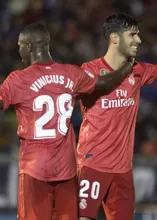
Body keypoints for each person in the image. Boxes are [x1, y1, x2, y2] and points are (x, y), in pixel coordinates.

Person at [0, 23, 133, 220]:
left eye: (20, 45)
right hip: (66, 171)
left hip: (34, 170)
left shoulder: (18, 79)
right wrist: (127, 67)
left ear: (29, 46)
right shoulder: (71, 73)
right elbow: (105, 83)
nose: (18, 51)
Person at [77, 13, 157, 220]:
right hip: (92, 164)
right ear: (114, 38)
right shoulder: (89, 71)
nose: (139, 40)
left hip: (123, 169)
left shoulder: (138, 71)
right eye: (133, 35)